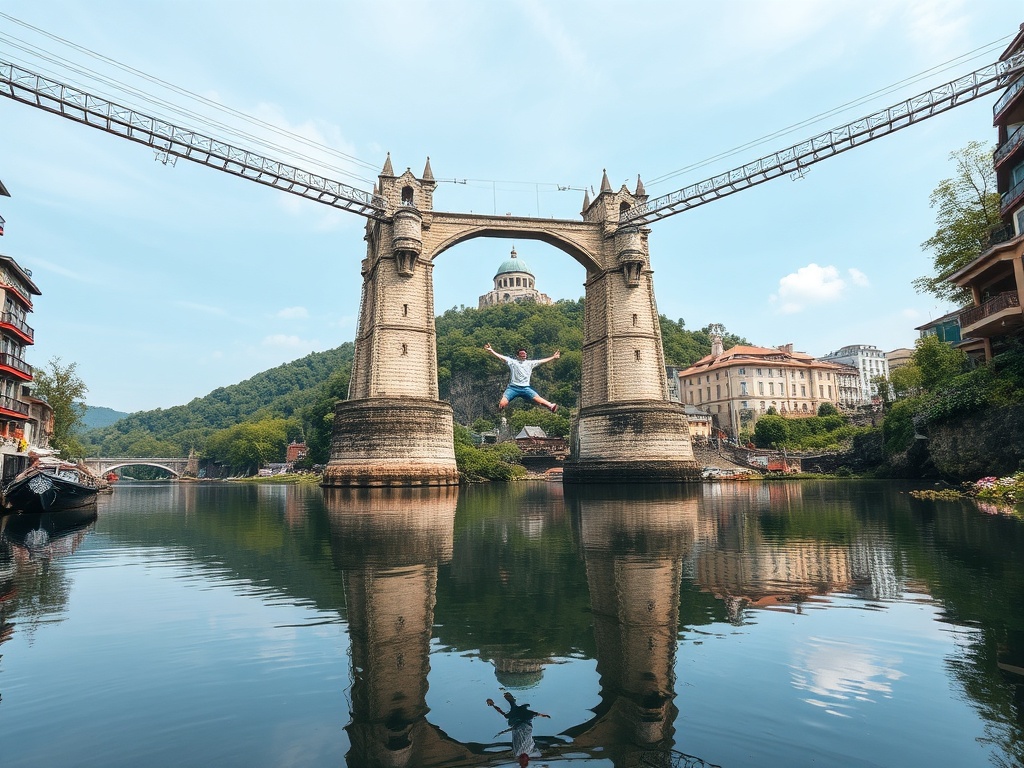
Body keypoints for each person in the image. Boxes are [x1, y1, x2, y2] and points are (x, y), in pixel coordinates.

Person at [484, 343, 560, 412]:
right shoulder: (512, 362)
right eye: (522, 354)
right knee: (502, 404)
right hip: (513, 388)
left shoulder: (530, 363)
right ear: (518, 356)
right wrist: (491, 351)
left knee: (538, 399)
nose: (524, 355)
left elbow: (542, 361)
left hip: (525, 388)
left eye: (525, 354)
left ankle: (551, 406)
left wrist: (553, 357)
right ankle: (499, 410)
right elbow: (501, 357)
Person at [486, 691, 550, 766]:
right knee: (509, 713)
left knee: (508, 714)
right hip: (524, 724)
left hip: (517, 724)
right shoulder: (533, 753)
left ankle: (497, 702)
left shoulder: (518, 753)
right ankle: (500, 701)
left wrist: (493, 705)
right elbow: (538, 756)